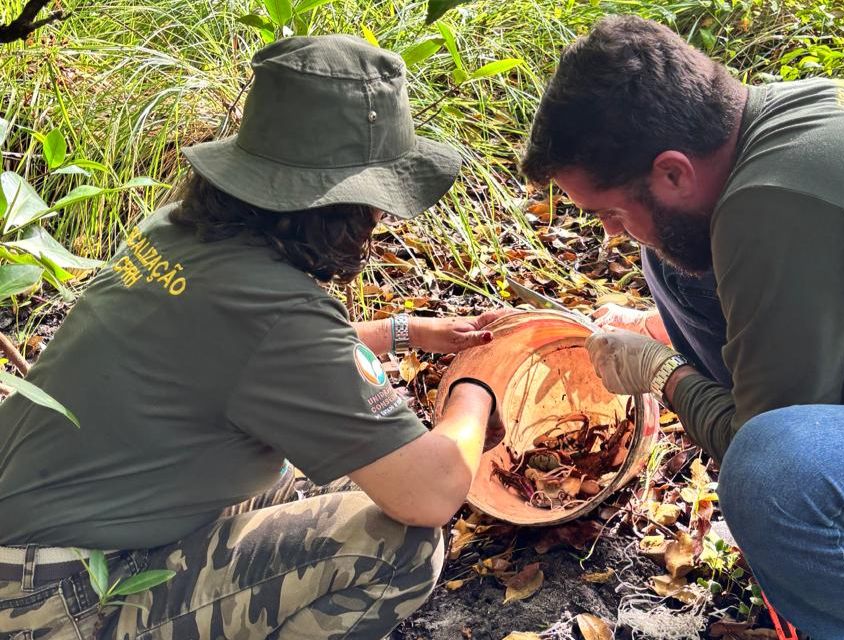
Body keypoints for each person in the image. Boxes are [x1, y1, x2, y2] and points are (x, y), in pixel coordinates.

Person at [0, 36, 502, 639]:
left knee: (350, 472)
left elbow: (234, 357)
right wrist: (477, 388)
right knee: (399, 545)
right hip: (49, 596)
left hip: (35, 529)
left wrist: (407, 331)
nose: (380, 221)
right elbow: (433, 492)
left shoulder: (176, 232)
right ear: (338, 205)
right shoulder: (277, 313)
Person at [521, 15, 844, 640]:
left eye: (609, 210)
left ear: (672, 171)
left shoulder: (777, 205)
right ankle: (823, 562)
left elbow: (767, 444)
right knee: (672, 261)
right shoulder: (781, 119)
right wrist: (652, 323)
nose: (608, 230)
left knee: (775, 478)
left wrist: (662, 373)